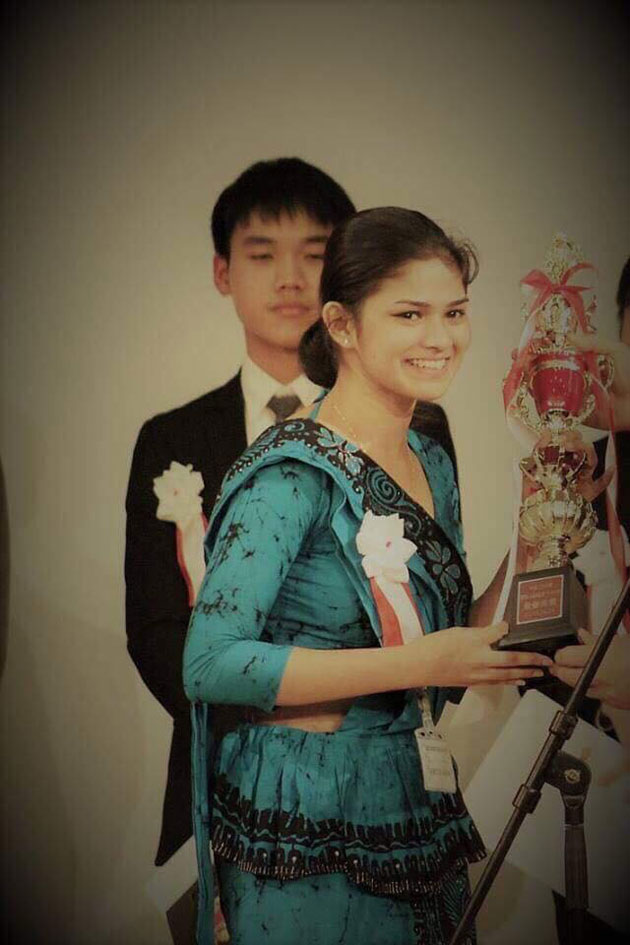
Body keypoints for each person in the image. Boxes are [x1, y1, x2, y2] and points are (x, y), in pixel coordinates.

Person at [183, 207, 553, 945]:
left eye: (454, 312)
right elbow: (209, 662)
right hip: (304, 802)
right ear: (342, 325)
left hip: (411, 786)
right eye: (409, 314)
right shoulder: (291, 473)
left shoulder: (431, 460)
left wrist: (540, 525)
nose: (440, 337)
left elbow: (452, 646)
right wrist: (420, 663)